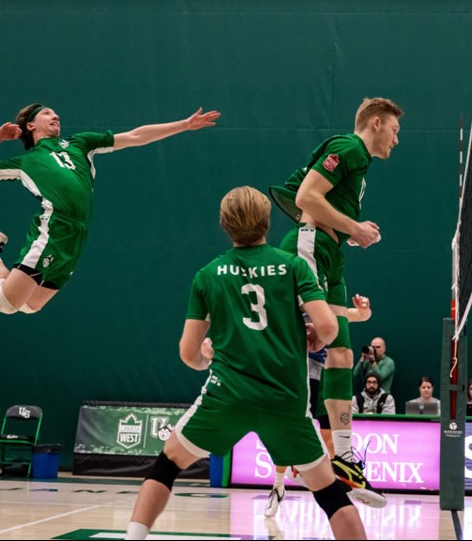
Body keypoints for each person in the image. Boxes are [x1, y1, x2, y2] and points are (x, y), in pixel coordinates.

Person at [124, 186, 365, 540]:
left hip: (227, 396)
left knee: (166, 465)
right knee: (329, 493)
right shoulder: (294, 265)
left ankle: (133, 537)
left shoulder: (207, 275)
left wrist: (206, 356)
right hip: (285, 401)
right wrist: (316, 336)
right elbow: (328, 326)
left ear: (224, 225)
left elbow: (188, 355)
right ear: (267, 222)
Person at [0, 104, 220, 315]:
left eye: (56, 112)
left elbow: (136, 136)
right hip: (54, 229)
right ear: (29, 125)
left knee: (28, 305)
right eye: (47, 113)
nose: (55, 115)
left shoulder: (80, 143)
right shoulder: (25, 162)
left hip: (77, 236)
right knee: (4, 304)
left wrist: (184, 125)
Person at [269, 96, 403, 507]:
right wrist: (355, 227)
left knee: (342, 352)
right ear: (376, 123)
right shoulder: (348, 148)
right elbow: (307, 198)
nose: (397, 140)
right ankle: (293, 442)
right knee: (313, 350)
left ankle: (343, 455)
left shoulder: (359, 165)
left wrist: (351, 233)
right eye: (396, 130)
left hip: (331, 253)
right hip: (310, 244)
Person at [263, 293, 373, 519]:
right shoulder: (288, 309)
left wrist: (364, 309)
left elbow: (361, 315)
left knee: (329, 436)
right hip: (295, 375)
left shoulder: (327, 309)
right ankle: (278, 486)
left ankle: (334, 482)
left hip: (324, 378)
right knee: (286, 435)